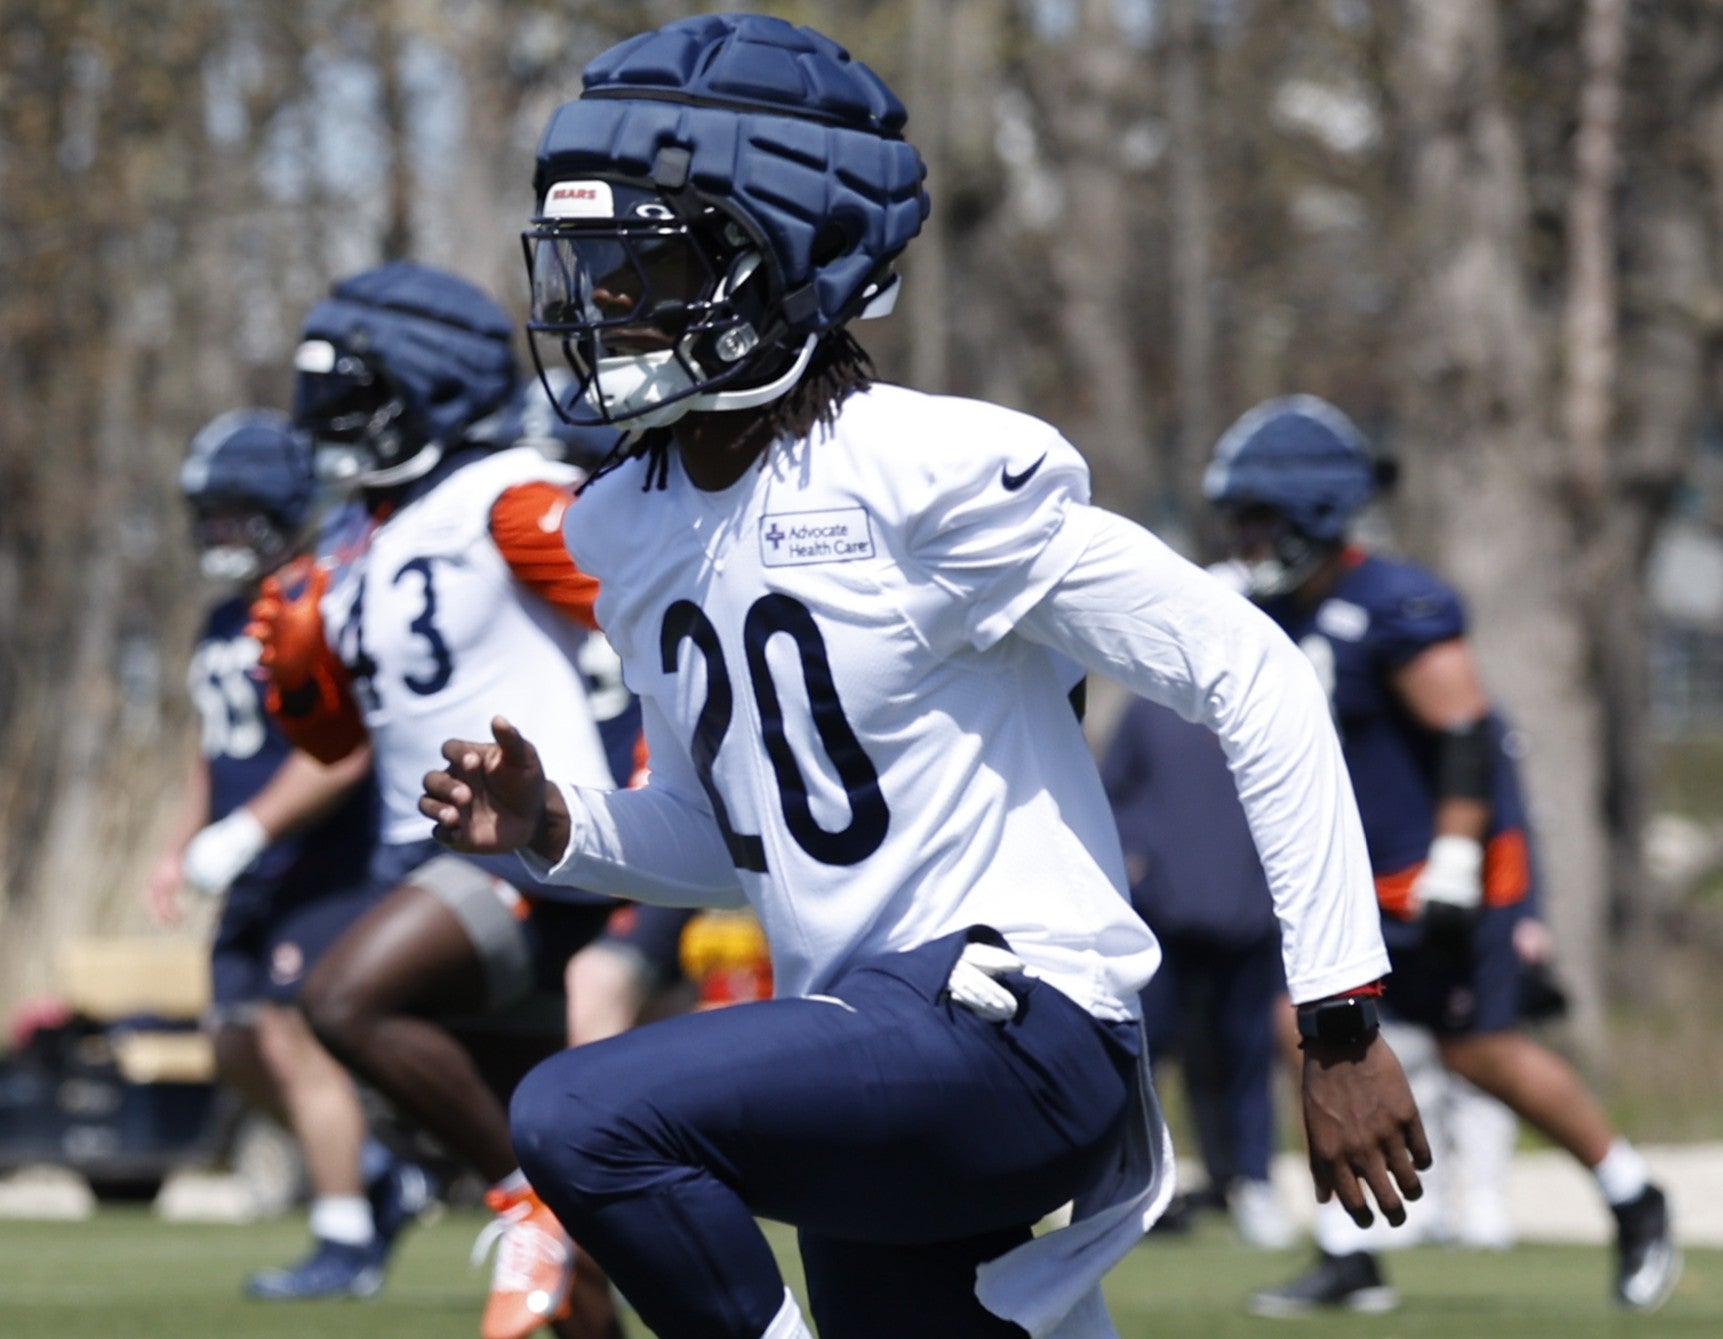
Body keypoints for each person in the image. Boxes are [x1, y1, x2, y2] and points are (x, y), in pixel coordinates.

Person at [419, 16, 1429, 1339]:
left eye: (641, 264)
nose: (598, 304)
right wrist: (562, 826)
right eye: (588, 268)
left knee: (578, 1109)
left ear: (775, 265)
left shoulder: (924, 470)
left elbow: (1254, 671)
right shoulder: (629, 522)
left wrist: (1339, 1019)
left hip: (1015, 1023)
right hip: (866, 1040)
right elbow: (738, 835)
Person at [1202, 395, 1680, 1314]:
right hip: (1358, 876)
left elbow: (1464, 736)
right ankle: (1351, 1248)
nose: (1244, 539)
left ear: (1309, 515)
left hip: (1441, 868)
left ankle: (1633, 1192)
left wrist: (1459, 861)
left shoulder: (1394, 601)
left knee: (1478, 1051)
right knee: (1299, 1028)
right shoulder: (1273, 612)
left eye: (1257, 518)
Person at [246, 261, 629, 1339]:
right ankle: (554, 1230)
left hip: (531, 844)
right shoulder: (363, 539)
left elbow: (653, 621)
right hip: (421, 855)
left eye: (354, 401)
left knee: (341, 1001)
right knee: (580, 1195)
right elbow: (335, 739)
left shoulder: (507, 493)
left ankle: (521, 1207)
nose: (331, 428)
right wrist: (301, 674)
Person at [146, 408, 431, 1299]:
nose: (221, 528)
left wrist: (246, 832)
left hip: (324, 860)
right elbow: (215, 749)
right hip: (250, 863)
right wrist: (183, 842)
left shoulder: (314, 600)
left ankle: (343, 1239)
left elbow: (343, 750)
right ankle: (383, 1174)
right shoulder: (219, 619)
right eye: (211, 511)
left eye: (237, 508)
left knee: (284, 1031)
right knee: (232, 1039)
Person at [1098, 698, 1297, 1250]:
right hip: (1161, 918)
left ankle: (1252, 1182)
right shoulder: (1147, 710)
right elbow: (1111, 794)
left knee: (1246, 1057)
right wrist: (1135, 860)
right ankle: (1132, 1188)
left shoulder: (1262, 708)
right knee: (1145, 1049)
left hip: (1249, 920)